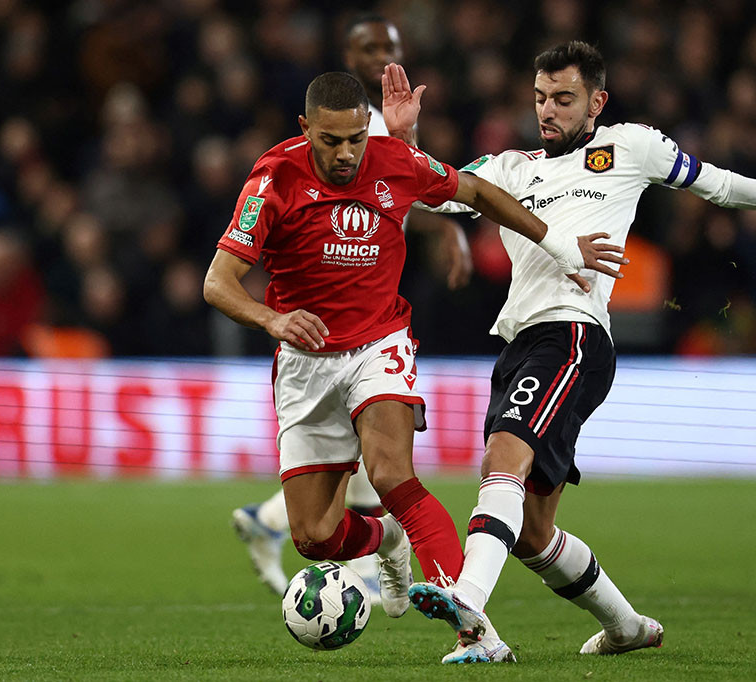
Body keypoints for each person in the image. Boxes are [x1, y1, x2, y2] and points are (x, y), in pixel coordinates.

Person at [381, 41, 756, 662]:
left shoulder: (630, 147)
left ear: (596, 101)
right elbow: (426, 193)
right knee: (532, 533)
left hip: (574, 334)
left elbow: (721, 186)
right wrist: (402, 141)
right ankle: (628, 627)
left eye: (564, 99)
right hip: (521, 341)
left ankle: (470, 601)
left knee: (504, 457)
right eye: (541, 98)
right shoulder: (508, 168)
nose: (548, 110)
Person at [203, 71, 621, 659]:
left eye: (356, 138)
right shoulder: (272, 180)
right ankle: (386, 537)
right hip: (303, 360)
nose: (347, 153)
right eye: (331, 141)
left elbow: (474, 192)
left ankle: (475, 630)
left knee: (392, 475)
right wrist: (272, 320)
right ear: (306, 130)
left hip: (380, 344)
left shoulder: (394, 161)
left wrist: (557, 243)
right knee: (313, 538)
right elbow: (217, 284)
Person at [229, 14, 472, 599]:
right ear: (347, 54)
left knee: (383, 463)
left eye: (390, 45)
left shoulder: (389, 124)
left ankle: (430, 586)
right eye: (369, 46)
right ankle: (346, 537)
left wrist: (450, 230)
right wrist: (272, 314)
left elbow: (415, 182)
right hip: (316, 318)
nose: (382, 54)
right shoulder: (326, 130)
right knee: (327, 507)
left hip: (379, 313)